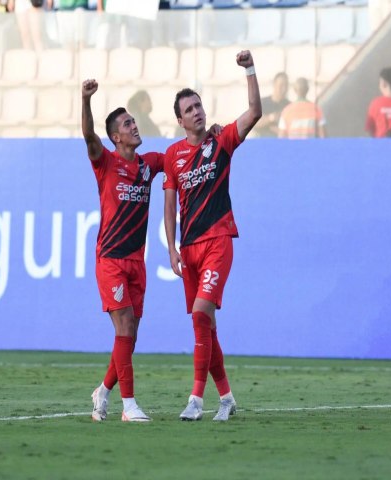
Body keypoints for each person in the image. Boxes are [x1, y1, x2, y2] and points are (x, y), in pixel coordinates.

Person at [163, 50, 261, 422]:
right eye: (189, 109)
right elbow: (170, 205)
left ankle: (195, 399)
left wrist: (249, 70)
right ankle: (227, 398)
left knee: (202, 313)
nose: (197, 112)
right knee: (206, 326)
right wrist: (171, 248)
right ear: (179, 119)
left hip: (218, 241)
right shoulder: (173, 156)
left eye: (199, 106)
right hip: (188, 250)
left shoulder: (221, 143)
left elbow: (255, 112)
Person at [81, 78, 163, 423]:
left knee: (128, 336)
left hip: (137, 263)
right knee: (125, 326)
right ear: (116, 137)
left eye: (133, 121)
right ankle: (128, 406)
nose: (134, 125)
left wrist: (211, 136)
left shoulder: (149, 165)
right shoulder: (106, 163)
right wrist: (84, 100)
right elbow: (88, 136)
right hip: (111, 260)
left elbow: (181, 156)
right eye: (128, 124)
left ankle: (103, 390)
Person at [254, 72, 289, 138]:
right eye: (281, 85)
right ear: (274, 85)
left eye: (286, 85)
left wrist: (281, 132)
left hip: (283, 144)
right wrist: (271, 118)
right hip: (263, 143)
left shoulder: (290, 106)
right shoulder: (262, 103)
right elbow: (253, 123)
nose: (284, 89)